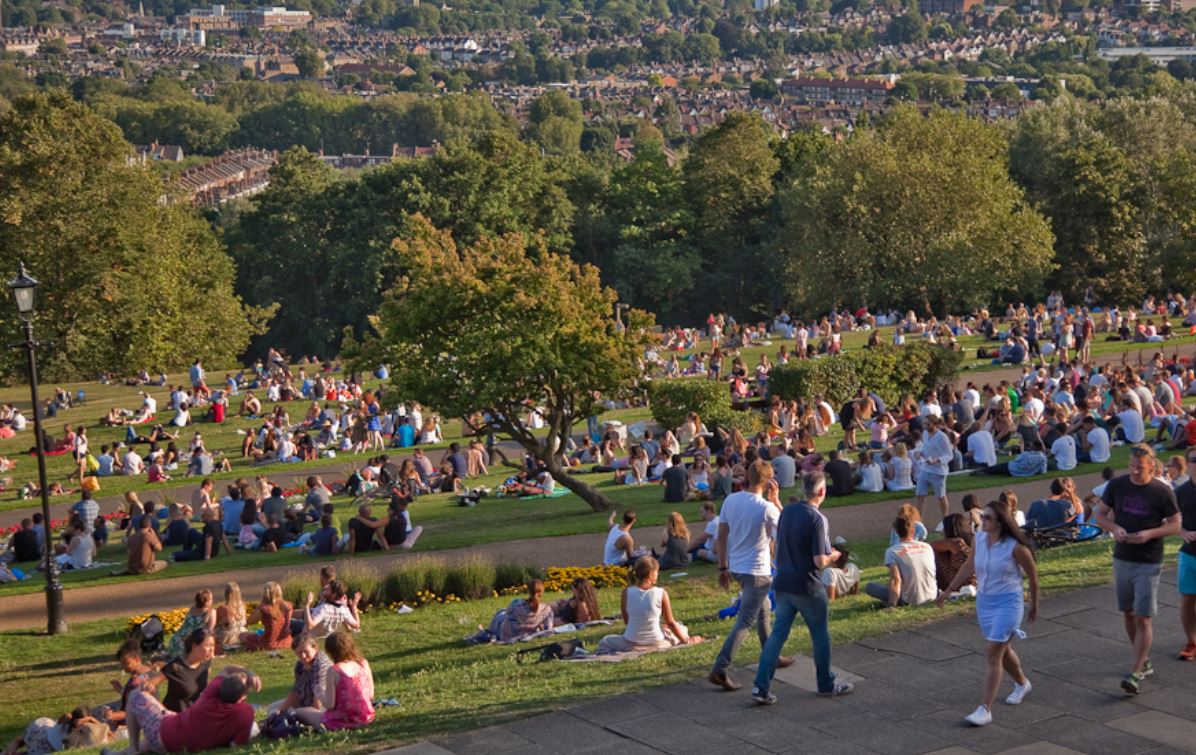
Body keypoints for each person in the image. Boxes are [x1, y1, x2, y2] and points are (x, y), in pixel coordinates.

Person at [752, 473, 854, 704]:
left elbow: (785, 520)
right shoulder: (817, 519)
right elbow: (819, 560)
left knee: (777, 636)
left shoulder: (789, 511)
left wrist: (776, 500)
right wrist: (834, 555)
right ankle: (826, 683)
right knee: (820, 635)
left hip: (783, 582)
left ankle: (760, 686)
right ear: (821, 492)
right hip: (807, 585)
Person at [937, 501, 1039, 727]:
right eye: (982, 517)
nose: (981, 521)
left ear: (1001, 522)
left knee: (993, 652)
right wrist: (947, 590)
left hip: (1009, 602)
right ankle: (1022, 683)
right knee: (1002, 648)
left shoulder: (1015, 547)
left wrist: (1034, 605)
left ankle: (985, 708)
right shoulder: (978, 540)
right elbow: (968, 566)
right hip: (985, 602)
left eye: (988, 518)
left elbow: (1032, 577)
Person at [1094, 444, 1182, 694]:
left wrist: (1151, 533)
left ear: (1151, 467)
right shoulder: (1117, 485)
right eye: (1131, 466)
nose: (1134, 471)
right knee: (1128, 613)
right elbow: (1100, 515)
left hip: (1149, 559)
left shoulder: (1161, 492)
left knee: (1143, 617)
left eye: (1139, 468)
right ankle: (1143, 659)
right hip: (1123, 557)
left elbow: (1176, 525)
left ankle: (1135, 671)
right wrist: (1115, 529)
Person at [709, 460, 787, 692]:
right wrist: (776, 501)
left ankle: (772, 654)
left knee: (763, 611)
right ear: (769, 481)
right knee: (745, 621)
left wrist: (722, 568)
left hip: (737, 567)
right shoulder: (766, 507)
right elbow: (788, 526)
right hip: (757, 570)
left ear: (748, 477)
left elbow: (721, 536)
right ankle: (720, 669)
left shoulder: (731, 500)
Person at [115, 667, 259, 754]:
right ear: (242, 697)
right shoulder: (246, 714)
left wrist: (248, 672)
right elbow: (235, 745)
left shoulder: (210, 695)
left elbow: (226, 669)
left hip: (165, 731)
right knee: (163, 729)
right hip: (175, 739)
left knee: (135, 695)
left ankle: (133, 751)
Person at [597, 557, 701, 653]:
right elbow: (671, 623)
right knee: (681, 628)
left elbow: (627, 621)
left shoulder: (626, 593)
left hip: (631, 641)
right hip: (657, 642)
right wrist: (685, 640)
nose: (657, 575)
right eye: (656, 572)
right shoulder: (661, 593)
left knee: (606, 640)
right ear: (651, 573)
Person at [294, 632, 375, 731]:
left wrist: (319, 693)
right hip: (366, 717)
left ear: (330, 652)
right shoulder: (363, 663)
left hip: (341, 721)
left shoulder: (334, 671)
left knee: (300, 711)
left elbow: (330, 705)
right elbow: (370, 695)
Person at [866, 514, 937, 607]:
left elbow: (896, 580)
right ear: (913, 530)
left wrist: (891, 605)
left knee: (870, 587)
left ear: (896, 532)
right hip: (932, 595)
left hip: (909, 599)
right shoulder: (927, 547)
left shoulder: (892, 551)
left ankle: (890, 600)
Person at [466, 580, 554, 644]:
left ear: (528, 590)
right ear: (542, 592)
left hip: (508, 634)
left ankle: (486, 631)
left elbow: (507, 613)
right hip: (527, 632)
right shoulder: (546, 609)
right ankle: (485, 631)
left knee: (501, 613)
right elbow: (548, 630)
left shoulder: (517, 603)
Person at [268, 635, 333, 715]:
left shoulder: (321, 665)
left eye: (306, 651)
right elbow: (296, 690)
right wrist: (280, 711)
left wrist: (316, 714)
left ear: (315, 648)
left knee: (297, 713)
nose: (303, 656)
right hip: (305, 700)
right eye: (299, 653)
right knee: (272, 708)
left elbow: (319, 694)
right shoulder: (300, 664)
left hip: (324, 704)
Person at [1174, 446, 1196, 661]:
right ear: (1187, 465)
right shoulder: (1180, 492)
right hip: (1189, 554)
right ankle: (1192, 640)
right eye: (1194, 460)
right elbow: (1169, 520)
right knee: (1188, 599)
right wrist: (1183, 532)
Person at [916, 416, 953, 529]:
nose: (926, 426)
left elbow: (949, 455)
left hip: (938, 471)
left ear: (934, 424)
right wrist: (920, 453)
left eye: (928, 424)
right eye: (925, 424)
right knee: (920, 495)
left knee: (941, 496)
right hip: (925, 469)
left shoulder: (942, 437)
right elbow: (925, 449)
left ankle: (945, 520)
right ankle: (919, 522)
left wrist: (938, 460)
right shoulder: (925, 434)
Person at [240, 581, 293, 651]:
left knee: (242, 636)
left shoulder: (264, 608)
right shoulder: (288, 606)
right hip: (287, 641)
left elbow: (250, 621)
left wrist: (260, 605)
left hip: (269, 643)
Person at [167, 591, 217, 661]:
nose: (212, 600)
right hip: (188, 647)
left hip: (175, 642)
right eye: (211, 599)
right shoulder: (211, 612)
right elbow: (209, 633)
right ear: (206, 602)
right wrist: (211, 653)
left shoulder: (192, 608)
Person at [214, 582, 247, 654]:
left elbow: (213, 623)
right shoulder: (242, 605)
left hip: (227, 637)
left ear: (226, 594)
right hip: (241, 633)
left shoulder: (223, 608)